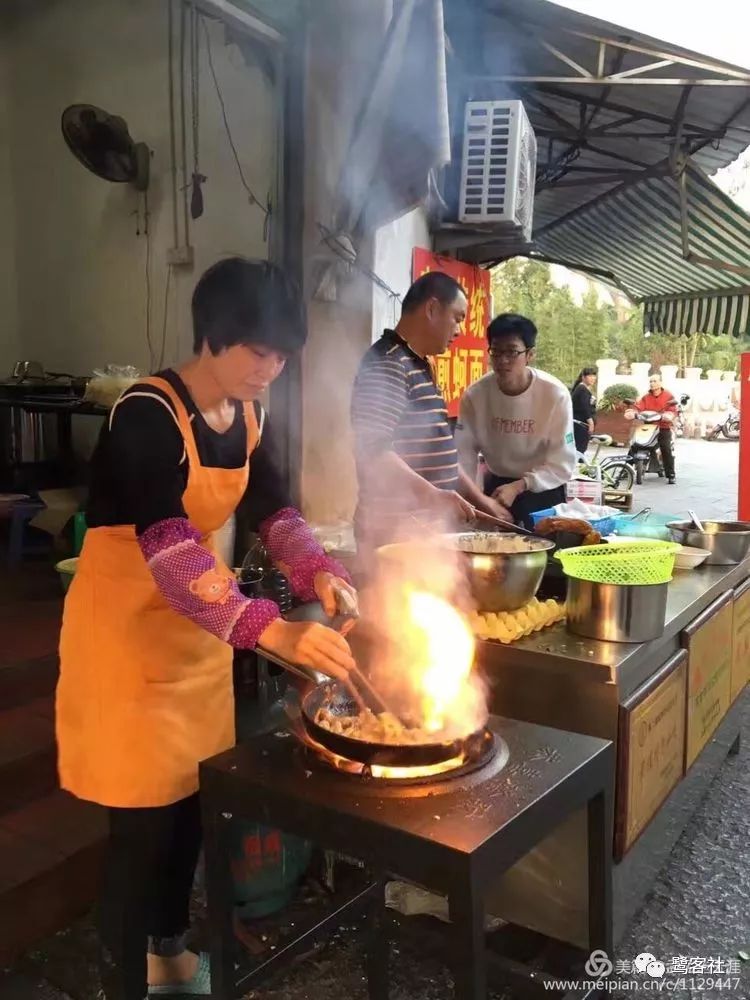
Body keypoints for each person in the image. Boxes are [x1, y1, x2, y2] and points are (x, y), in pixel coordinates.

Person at [56, 258, 358, 1000]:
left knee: (189, 813)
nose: (270, 369)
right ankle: (122, 980)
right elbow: (170, 547)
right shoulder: (147, 412)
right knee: (140, 837)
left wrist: (314, 570)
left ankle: (169, 958)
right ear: (214, 336)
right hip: (126, 643)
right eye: (258, 352)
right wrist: (273, 631)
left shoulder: (249, 415)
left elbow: (275, 511)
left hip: (198, 638)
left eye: (283, 357)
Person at [351, 272, 510, 557]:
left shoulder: (419, 365)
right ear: (432, 309)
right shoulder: (387, 365)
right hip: (394, 534)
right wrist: (431, 495)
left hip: (424, 531)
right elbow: (372, 451)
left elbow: (440, 452)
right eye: (458, 317)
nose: (459, 330)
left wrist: (482, 501)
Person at [455, 313, 577, 528]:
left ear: (530, 355)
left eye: (512, 352)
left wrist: (521, 485)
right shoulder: (476, 396)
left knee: (544, 552)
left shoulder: (554, 395)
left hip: (543, 489)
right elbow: (464, 456)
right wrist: (473, 498)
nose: (502, 360)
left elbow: (562, 463)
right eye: (496, 351)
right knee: (490, 553)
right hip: (496, 488)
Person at [628, 372, 677, 484]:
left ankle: (671, 475)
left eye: (655, 381)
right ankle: (626, 470)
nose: (652, 383)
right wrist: (633, 412)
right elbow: (638, 407)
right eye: (650, 381)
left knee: (666, 448)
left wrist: (668, 415)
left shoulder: (668, 396)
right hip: (648, 426)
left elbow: (672, 409)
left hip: (662, 427)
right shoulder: (646, 397)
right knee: (635, 444)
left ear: (660, 383)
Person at [570, 367, 597, 455]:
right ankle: (577, 467)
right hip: (581, 425)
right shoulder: (582, 389)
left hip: (580, 424)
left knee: (578, 449)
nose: (593, 378)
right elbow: (584, 407)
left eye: (594, 376)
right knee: (579, 450)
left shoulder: (582, 388)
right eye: (590, 376)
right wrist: (591, 422)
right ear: (583, 377)